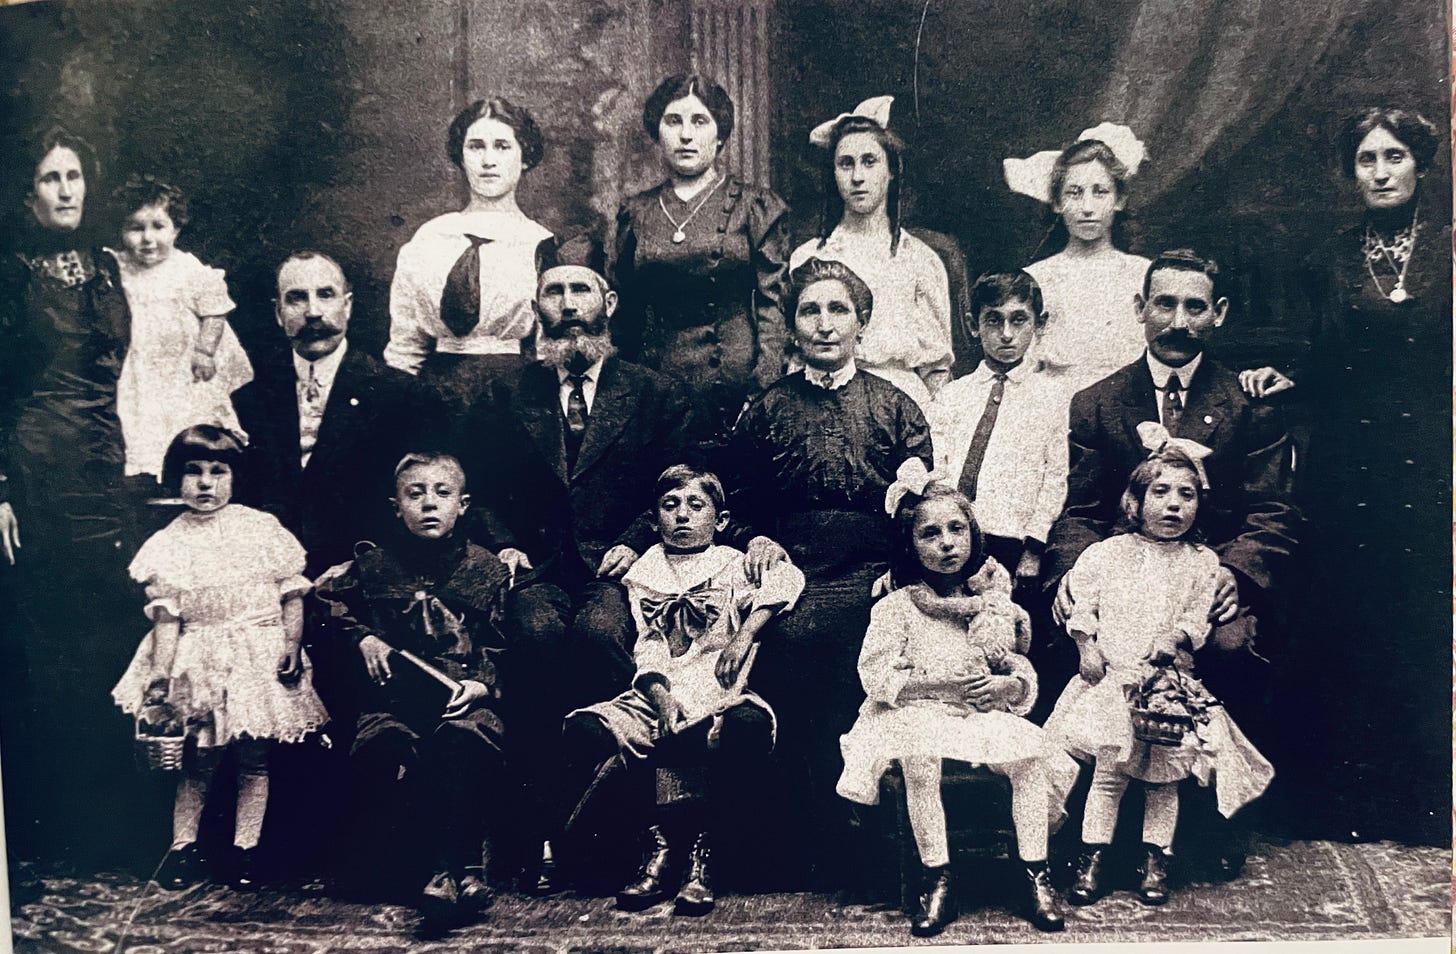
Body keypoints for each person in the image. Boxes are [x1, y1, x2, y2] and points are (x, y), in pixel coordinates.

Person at [457, 234, 720, 890]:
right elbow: (482, 488)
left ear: (609, 301)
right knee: (537, 638)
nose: (569, 306)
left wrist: (637, 537)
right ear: (537, 305)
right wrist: (503, 542)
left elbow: (677, 480)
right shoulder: (507, 393)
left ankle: (628, 839)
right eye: (555, 292)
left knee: (607, 638)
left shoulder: (654, 392)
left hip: (621, 565)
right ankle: (534, 839)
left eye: (581, 291)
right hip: (539, 569)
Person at [1044, 248, 1298, 872]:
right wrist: (1075, 578)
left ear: (1218, 314)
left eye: (1195, 306)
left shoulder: (1248, 404)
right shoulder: (1097, 402)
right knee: (1080, 645)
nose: (1178, 320)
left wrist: (1234, 575)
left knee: (1232, 645)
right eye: (1165, 304)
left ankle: (1205, 829)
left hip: (1203, 581)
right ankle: (1099, 830)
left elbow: (1273, 511)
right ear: (1140, 309)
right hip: (1122, 578)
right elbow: (1079, 509)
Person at [1240, 107, 1450, 844]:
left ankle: (1423, 800)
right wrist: (1282, 375)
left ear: (1422, 165)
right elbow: (1322, 358)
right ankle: (1338, 800)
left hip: (1434, 462)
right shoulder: (1330, 257)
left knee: (1419, 622)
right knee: (1347, 618)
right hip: (1353, 466)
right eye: (1367, 160)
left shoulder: (1451, 247)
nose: (1382, 171)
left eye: (1395, 157)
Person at [725, 256, 932, 886]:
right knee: (789, 644)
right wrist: (759, 536)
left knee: (868, 644)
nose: (823, 324)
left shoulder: (896, 407)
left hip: (872, 569)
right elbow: (737, 503)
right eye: (809, 311)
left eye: (837, 310)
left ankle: (863, 849)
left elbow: (920, 511)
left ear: (862, 322)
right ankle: (798, 845)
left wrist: (897, 570)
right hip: (793, 572)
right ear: (791, 326)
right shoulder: (765, 410)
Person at [836, 461, 1077, 935]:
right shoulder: (897, 606)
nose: (946, 542)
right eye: (930, 534)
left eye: (956, 529)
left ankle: (1034, 872)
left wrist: (1009, 687)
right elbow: (876, 675)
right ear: (910, 545)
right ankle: (937, 877)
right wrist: (936, 686)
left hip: (974, 715)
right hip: (911, 713)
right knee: (920, 758)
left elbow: (1018, 668)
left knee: (1028, 758)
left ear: (973, 536)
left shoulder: (993, 606)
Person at [553, 465, 803, 916]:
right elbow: (648, 645)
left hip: (719, 690)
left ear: (720, 519)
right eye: (670, 506)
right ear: (654, 519)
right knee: (589, 730)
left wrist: (746, 632)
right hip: (659, 693)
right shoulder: (645, 571)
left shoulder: (732, 561)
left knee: (739, 727)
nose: (682, 516)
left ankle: (701, 856)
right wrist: (661, 696)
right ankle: (656, 844)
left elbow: (789, 580)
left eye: (696, 506)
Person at [1043, 427, 1274, 907]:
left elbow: (1198, 618)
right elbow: (1083, 603)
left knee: (1164, 779)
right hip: (1112, 680)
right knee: (1111, 774)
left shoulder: (1202, 562)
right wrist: (1086, 644)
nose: (1174, 506)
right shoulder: (1106, 553)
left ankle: (1155, 858)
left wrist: (1178, 638)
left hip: (1165, 690)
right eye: (1161, 492)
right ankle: (1094, 856)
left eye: (1186, 495)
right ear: (1134, 501)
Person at [0, 124, 144, 870]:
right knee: (50, 649)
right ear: (28, 193)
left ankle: (111, 834)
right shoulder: (11, 269)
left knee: (107, 641)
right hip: (35, 466)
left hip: (102, 462)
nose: (65, 190)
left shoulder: (105, 265)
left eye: (74, 177)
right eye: (50, 178)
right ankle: (50, 833)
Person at [110, 425, 328, 891]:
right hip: (200, 656)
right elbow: (167, 619)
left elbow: (293, 594)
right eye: (193, 473)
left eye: (217, 471)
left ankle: (245, 850)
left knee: (255, 759)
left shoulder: (261, 529)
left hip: (257, 653)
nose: (206, 484)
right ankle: (182, 848)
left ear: (234, 477)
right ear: (176, 480)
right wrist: (161, 676)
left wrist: (291, 645)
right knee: (198, 758)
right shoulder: (170, 542)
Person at [313, 452, 511, 925]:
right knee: (387, 748)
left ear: (463, 505)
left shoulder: (486, 568)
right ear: (395, 505)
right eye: (414, 493)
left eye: (442, 493)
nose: (429, 504)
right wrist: (362, 636)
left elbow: (500, 644)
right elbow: (327, 605)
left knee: (461, 742)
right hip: (392, 700)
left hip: (458, 700)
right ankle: (439, 872)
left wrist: (480, 686)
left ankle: (447, 870)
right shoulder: (372, 564)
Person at [234, 250, 442, 577]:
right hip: (266, 579)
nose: (313, 312)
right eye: (297, 299)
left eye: (325, 295)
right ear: (278, 312)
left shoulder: (401, 395)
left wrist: (367, 565)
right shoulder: (247, 401)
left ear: (347, 305)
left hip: (369, 579)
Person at [613, 74, 791, 454]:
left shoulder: (755, 206)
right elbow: (624, 314)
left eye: (699, 121)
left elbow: (774, 306)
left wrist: (762, 390)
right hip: (655, 383)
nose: (686, 135)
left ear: (720, 134)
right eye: (673, 121)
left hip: (734, 385)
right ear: (657, 133)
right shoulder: (637, 212)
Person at [385, 97, 553, 409]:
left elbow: (546, 349)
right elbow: (405, 345)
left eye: (502, 146)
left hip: (512, 395)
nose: (488, 160)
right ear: (461, 156)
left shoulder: (540, 243)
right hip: (434, 393)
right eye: (476, 146)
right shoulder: (430, 237)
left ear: (524, 156)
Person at [790, 96, 952, 414]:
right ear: (833, 173)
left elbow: (936, 369)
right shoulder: (807, 258)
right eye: (845, 164)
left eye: (869, 161)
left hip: (899, 408)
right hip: (822, 404)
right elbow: (794, 358)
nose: (857, 177)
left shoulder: (920, 260)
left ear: (892, 170)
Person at [931, 270, 1071, 595]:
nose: (1006, 334)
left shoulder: (1052, 398)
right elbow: (937, 465)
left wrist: (1034, 548)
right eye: (994, 320)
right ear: (972, 325)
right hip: (953, 537)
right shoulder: (952, 395)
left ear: (1039, 323)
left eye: (1018, 320)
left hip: (1013, 540)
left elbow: (1055, 477)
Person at [111, 175, 252, 481]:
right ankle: (149, 475)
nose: (147, 238)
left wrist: (204, 350)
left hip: (182, 366)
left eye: (158, 227)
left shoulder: (187, 269)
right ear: (122, 230)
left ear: (176, 228)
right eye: (136, 228)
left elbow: (216, 310)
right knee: (141, 420)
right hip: (141, 367)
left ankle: (190, 476)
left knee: (186, 419)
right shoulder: (120, 268)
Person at [1004, 124, 1151, 390]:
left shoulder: (1141, 274)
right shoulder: (1037, 277)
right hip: (1055, 403)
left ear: (1119, 199)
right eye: (1074, 193)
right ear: (1057, 203)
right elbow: (1023, 365)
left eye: (1100, 192)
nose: (1087, 208)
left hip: (1128, 402)